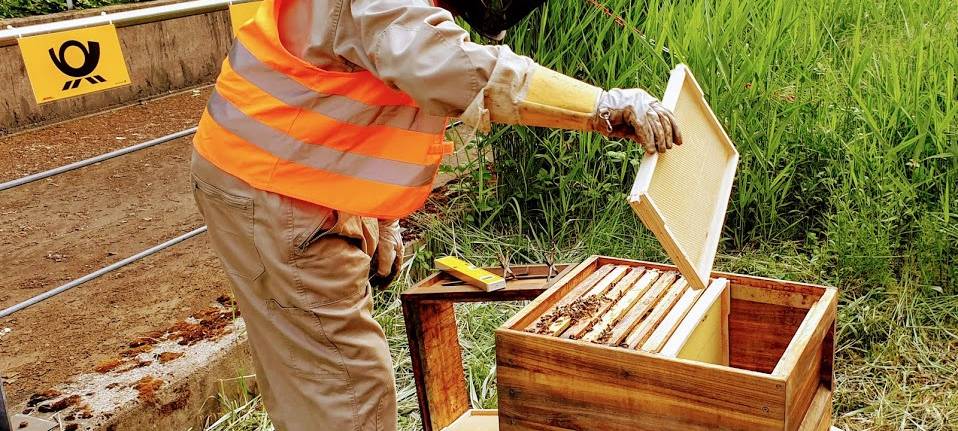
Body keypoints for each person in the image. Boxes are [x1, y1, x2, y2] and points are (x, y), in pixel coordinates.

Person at [189, 0, 683, 429]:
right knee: (346, 392)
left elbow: (362, 77)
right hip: (276, 188)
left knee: (307, 373)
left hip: (291, 171)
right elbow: (453, 69)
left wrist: (378, 212)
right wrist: (601, 106)